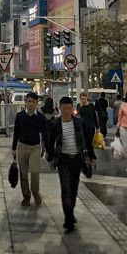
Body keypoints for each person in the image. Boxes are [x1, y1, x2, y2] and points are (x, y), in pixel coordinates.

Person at [45, 96, 97, 233]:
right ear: (59, 108)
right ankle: (68, 219)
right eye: (64, 108)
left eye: (69, 108)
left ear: (72, 108)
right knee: (65, 189)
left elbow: (87, 140)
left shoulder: (79, 122)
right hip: (63, 160)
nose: (67, 111)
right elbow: (50, 142)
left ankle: (71, 212)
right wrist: (50, 158)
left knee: (74, 188)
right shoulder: (55, 124)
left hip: (77, 160)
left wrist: (92, 157)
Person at [11, 92, 48, 207]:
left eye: (33, 102)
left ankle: (35, 192)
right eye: (29, 101)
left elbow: (45, 134)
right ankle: (26, 197)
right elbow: (16, 132)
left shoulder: (40, 118)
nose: (31, 104)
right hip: (22, 147)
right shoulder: (20, 116)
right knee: (23, 174)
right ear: (25, 102)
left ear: (37, 103)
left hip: (35, 148)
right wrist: (13, 148)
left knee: (35, 172)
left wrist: (45, 148)